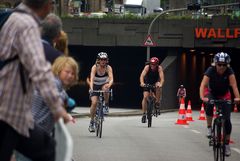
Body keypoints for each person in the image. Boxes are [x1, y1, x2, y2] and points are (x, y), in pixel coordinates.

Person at [0, 1, 70, 161]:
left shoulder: (11, 17)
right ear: (46, 5)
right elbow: (40, 71)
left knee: (46, 147)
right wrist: (58, 109)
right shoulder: (27, 25)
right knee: (48, 149)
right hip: (7, 113)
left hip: (15, 116)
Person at [199, 52, 240, 157]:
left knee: (227, 121)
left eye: (224, 65)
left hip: (224, 95)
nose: (222, 67)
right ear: (215, 64)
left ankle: (226, 144)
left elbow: (234, 86)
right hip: (212, 93)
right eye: (219, 64)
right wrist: (202, 97)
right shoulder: (210, 70)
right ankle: (209, 128)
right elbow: (203, 85)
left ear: (227, 65)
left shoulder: (229, 71)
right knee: (209, 105)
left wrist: (237, 98)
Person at [88, 52, 114, 132]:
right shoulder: (94, 67)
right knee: (94, 103)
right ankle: (92, 122)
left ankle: (106, 105)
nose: (103, 61)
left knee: (105, 88)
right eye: (101, 60)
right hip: (95, 85)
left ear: (107, 60)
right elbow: (91, 79)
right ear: (98, 60)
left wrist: (109, 85)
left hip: (104, 84)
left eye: (105, 60)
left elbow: (111, 78)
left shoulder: (108, 68)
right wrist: (91, 88)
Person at [140, 57, 164, 123]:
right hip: (147, 83)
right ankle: (144, 114)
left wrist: (161, 84)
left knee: (158, 86)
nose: (153, 66)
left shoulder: (159, 68)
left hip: (155, 83)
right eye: (152, 64)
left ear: (157, 64)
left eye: (154, 64)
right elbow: (142, 76)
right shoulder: (147, 67)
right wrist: (142, 83)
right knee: (145, 97)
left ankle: (157, 102)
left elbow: (162, 78)